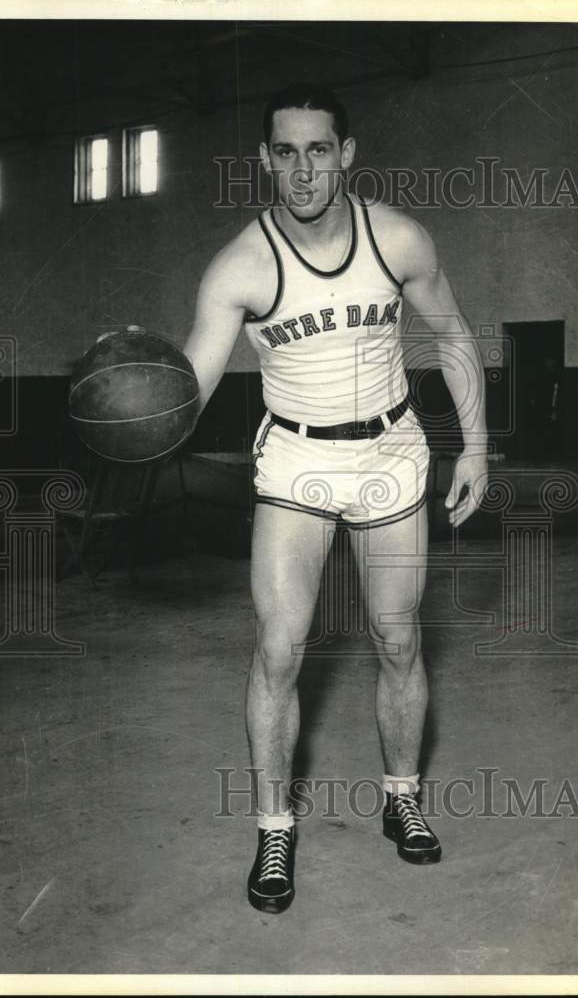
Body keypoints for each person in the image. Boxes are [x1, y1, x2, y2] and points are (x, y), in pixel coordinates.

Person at [184, 83, 488, 914]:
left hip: (391, 453)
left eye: (320, 149)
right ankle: (275, 828)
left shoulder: (395, 237)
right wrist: (139, 421)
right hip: (294, 462)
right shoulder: (240, 266)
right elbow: (192, 383)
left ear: (346, 155)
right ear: (265, 161)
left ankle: (401, 797)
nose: (304, 168)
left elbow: (454, 334)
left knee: (397, 641)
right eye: (286, 151)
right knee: (280, 651)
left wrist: (476, 447)